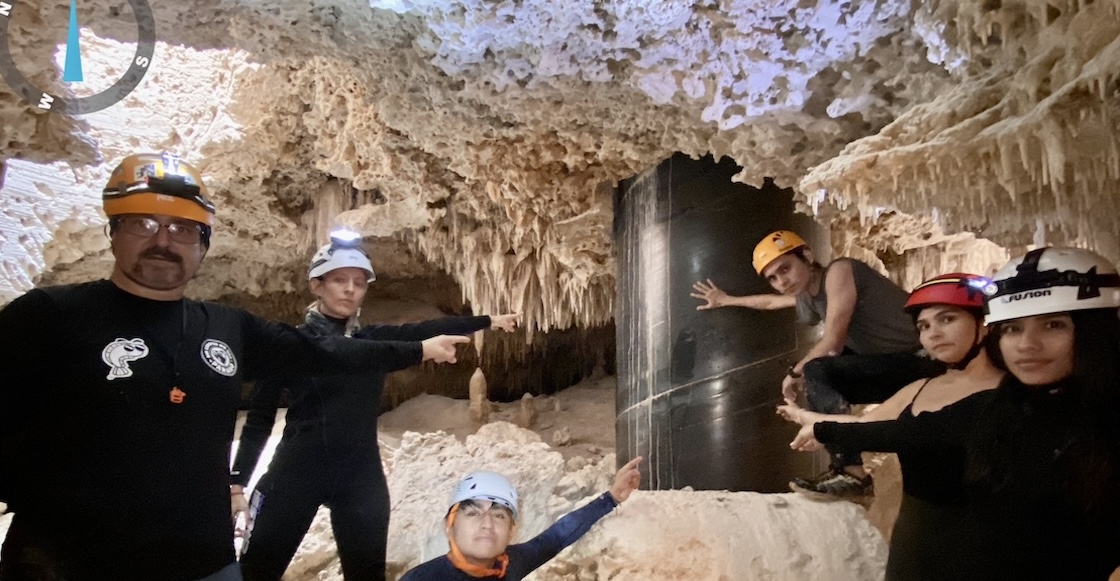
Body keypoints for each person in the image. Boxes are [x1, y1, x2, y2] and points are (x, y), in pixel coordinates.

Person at [0, 152, 469, 581]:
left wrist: (418, 349)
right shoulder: (50, 315)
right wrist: (48, 503)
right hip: (70, 565)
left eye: (183, 229)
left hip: (204, 562)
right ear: (114, 231)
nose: (163, 240)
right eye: (143, 223)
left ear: (202, 244)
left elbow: (325, 352)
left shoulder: (228, 327)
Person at [791, 247, 1120, 580]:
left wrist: (822, 428)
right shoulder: (999, 407)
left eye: (1053, 324)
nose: (1027, 345)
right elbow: (899, 430)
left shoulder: (1021, 407)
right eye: (1012, 328)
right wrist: (820, 426)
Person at [231, 231, 521, 581]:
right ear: (316, 286)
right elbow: (260, 419)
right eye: (339, 280)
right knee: (255, 573)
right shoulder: (291, 345)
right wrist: (237, 482)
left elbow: (426, 329)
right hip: (296, 472)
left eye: (359, 283)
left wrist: (488, 321)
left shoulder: (372, 341)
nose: (350, 290)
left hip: (359, 476)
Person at [777, 273, 1003, 580]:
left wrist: (823, 429)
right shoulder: (921, 388)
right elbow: (867, 425)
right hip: (915, 541)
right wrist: (807, 418)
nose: (934, 333)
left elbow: (904, 433)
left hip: (984, 544)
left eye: (947, 319)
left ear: (984, 323)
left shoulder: (1011, 393)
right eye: (924, 326)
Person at [691, 229, 944, 498]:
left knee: (818, 368)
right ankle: (840, 452)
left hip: (926, 361)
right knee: (821, 373)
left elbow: (833, 341)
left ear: (807, 256)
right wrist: (727, 300)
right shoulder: (808, 295)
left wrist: (794, 373)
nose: (781, 281)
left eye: (785, 269)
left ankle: (852, 473)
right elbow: (771, 303)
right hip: (897, 366)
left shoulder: (840, 271)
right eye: (772, 278)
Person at [400, 457, 643, 581]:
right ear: (449, 526)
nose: (487, 524)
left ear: (511, 530)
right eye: (473, 513)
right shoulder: (420, 580)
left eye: (498, 515)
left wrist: (612, 497)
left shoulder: (509, 564)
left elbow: (556, 538)